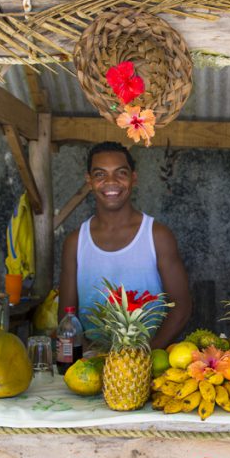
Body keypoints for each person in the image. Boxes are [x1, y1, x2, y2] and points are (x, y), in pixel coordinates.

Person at [59, 142, 191, 349]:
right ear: (89, 181)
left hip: (147, 360)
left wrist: (146, 355)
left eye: (121, 173)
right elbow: (67, 314)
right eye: (100, 174)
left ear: (133, 178)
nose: (111, 182)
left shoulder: (157, 236)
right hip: (92, 361)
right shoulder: (75, 242)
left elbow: (181, 307)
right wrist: (87, 355)